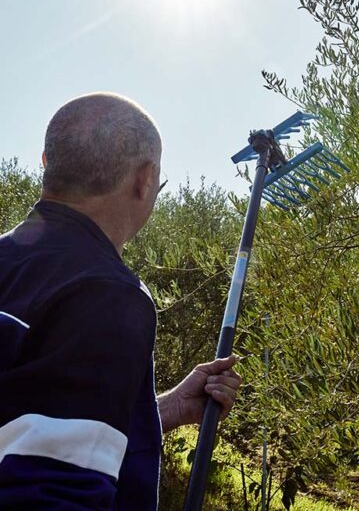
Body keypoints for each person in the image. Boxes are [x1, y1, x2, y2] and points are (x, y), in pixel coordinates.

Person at [0, 93, 242, 510]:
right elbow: (54, 490)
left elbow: (23, 422)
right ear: (145, 179)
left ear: (46, 162)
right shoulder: (107, 293)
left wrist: (162, 410)